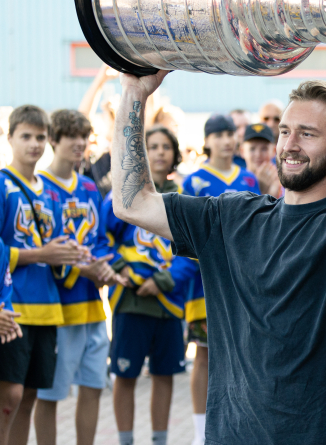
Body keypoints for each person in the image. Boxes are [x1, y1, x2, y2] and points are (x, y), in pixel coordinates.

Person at [109, 51, 326, 443]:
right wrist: (134, 92)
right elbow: (131, 202)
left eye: (307, 134)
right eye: (285, 131)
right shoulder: (231, 216)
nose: (290, 145)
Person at [0, 105, 90, 445]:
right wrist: (41, 254)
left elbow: (57, 253)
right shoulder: (3, 185)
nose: (34, 144)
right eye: (25, 136)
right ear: (9, 139)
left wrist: (74, 257)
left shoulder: (47, 192)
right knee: (9, 396)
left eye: (40, 137)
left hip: (48, 308)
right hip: (14, 309)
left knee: (29, 398)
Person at [34, 110, 123, 445]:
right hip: (58, 304)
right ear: (53, 140)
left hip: (92, 305)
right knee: (51, 393)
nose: (79, 143)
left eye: (83, 136)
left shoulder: (88, 186)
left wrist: (103, 265)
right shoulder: (40, 186)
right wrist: (80, 268)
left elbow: (99, 238)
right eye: (70, 136)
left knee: (93, 387)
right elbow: (41, 246)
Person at [103, 125, 193, 445]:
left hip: (168, 302)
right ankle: (126, 440)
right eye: (150, 146)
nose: (158, 152)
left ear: (174, 154)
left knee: (164, 374)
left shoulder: (183, 200)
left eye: (165, 147)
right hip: (130, 300)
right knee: (124, 375)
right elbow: (103, 240)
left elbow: (193, 250)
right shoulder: (122, 193)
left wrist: (166, 279)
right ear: (140, 152)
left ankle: (160, 440)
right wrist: (120, 268)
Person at [181, 114, 260, 445]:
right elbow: (185, 234)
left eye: (231, 134)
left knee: (243, 353)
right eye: (220, 134)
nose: (228, 140)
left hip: (243, 285)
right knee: (204, 352)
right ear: (207, 140)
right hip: (205, 284)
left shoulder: (250, 180)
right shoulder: (194, 182)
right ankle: (201, 432)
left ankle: (240, 422)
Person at [241, 123, 281, 196]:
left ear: (274, 150)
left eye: (264, 149)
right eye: (252, 149)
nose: (258, 155)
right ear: (242, 151)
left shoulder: (283, 182)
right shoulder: (236, 180)